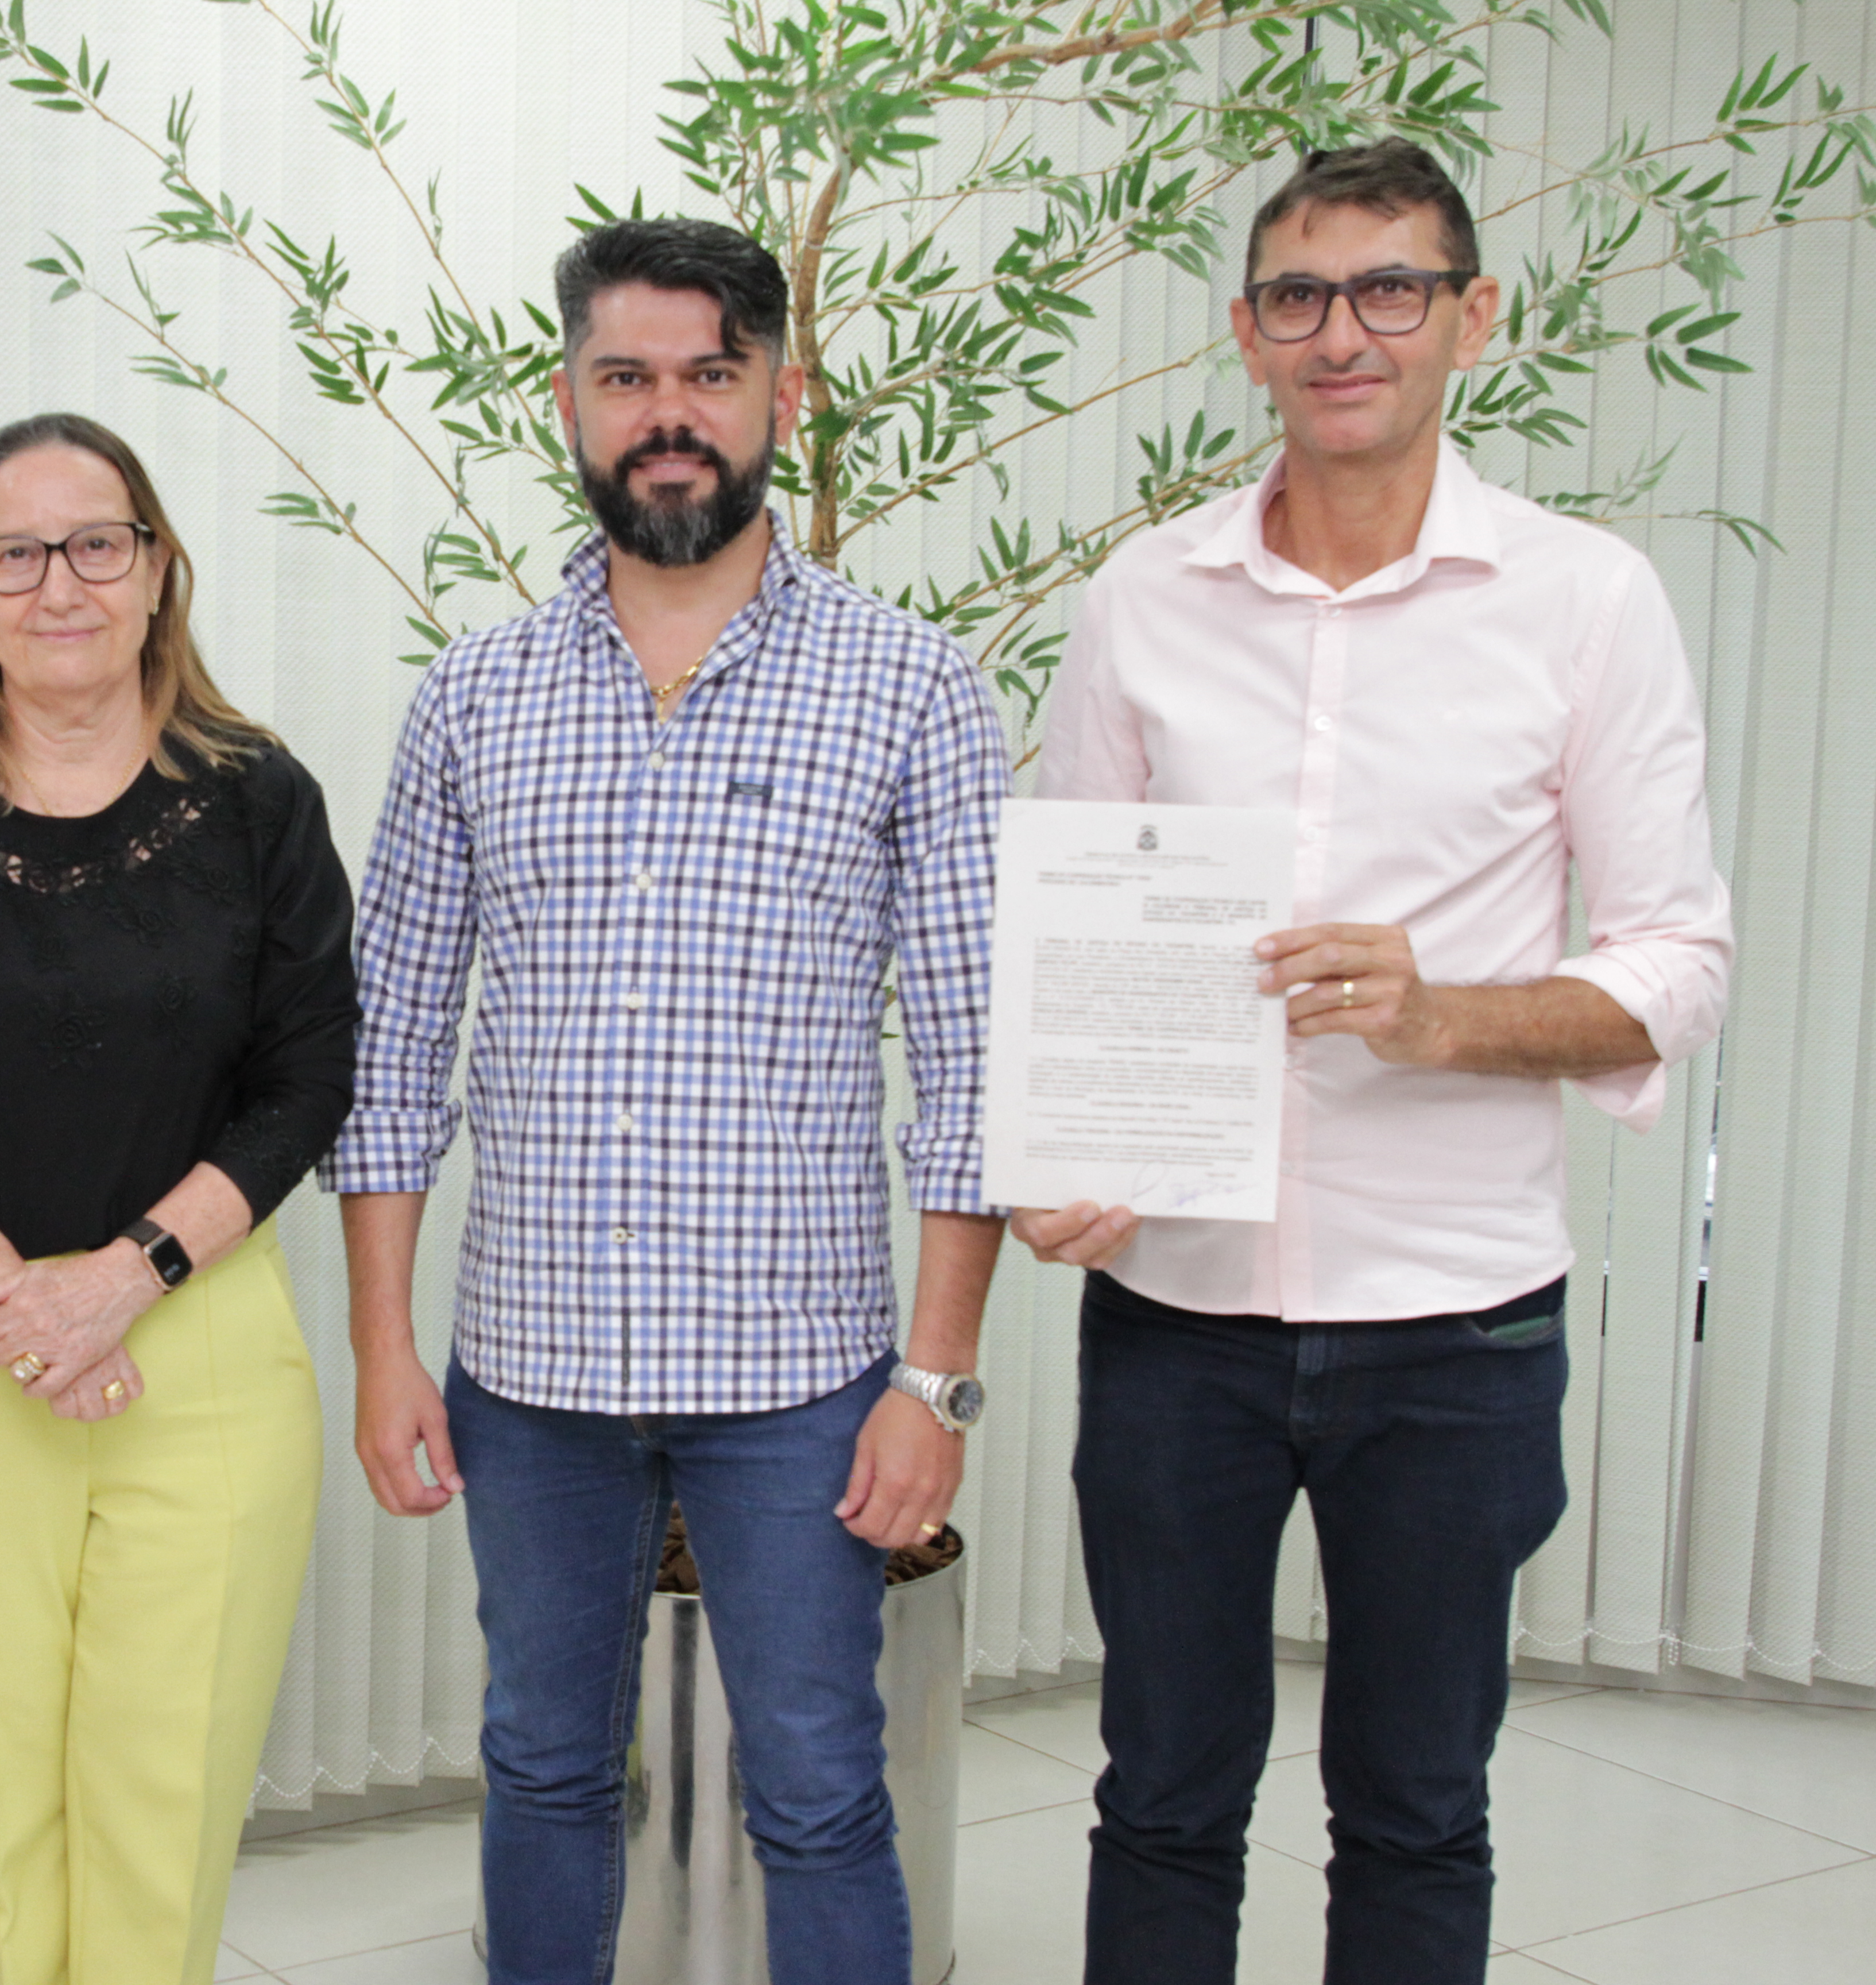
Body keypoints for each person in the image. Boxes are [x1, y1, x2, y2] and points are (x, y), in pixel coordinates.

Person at [1019, 140, 1734, 1985]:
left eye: (1391, 289)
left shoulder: (1585, 602)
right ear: (1249, 338)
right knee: (1162, 1793)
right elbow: (1082, 933)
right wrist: (1063, 1143)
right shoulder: (1142, 600)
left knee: (1418, 1808)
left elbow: (1678, 960)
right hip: (1175, 1316)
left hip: (1457, 1327)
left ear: (1470, 317)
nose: (1345, 333)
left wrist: (1441, 1018)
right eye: (1299, 298)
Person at [326, 218, 1012, 1985]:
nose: (670, 414)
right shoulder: (474, 699)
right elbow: (389, 1048)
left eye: (710, 373)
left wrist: (932, 1385)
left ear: (787, 391)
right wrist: (386, 1348)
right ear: (569, 403)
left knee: (820, 1792)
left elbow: (974, 1066)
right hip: (531, 1374)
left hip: (800, 1379)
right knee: (543, 1770)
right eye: (627, 378)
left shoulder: (916, 689)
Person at [0, 411, 358, 1985]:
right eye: (14, 552)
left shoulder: (261, 807)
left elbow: (307, 1080)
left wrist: (121, 1279)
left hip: (207, 1350)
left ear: (159, 568)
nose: (60, 584)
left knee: (159, 1819)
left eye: (98, 542)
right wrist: (18, 1296)